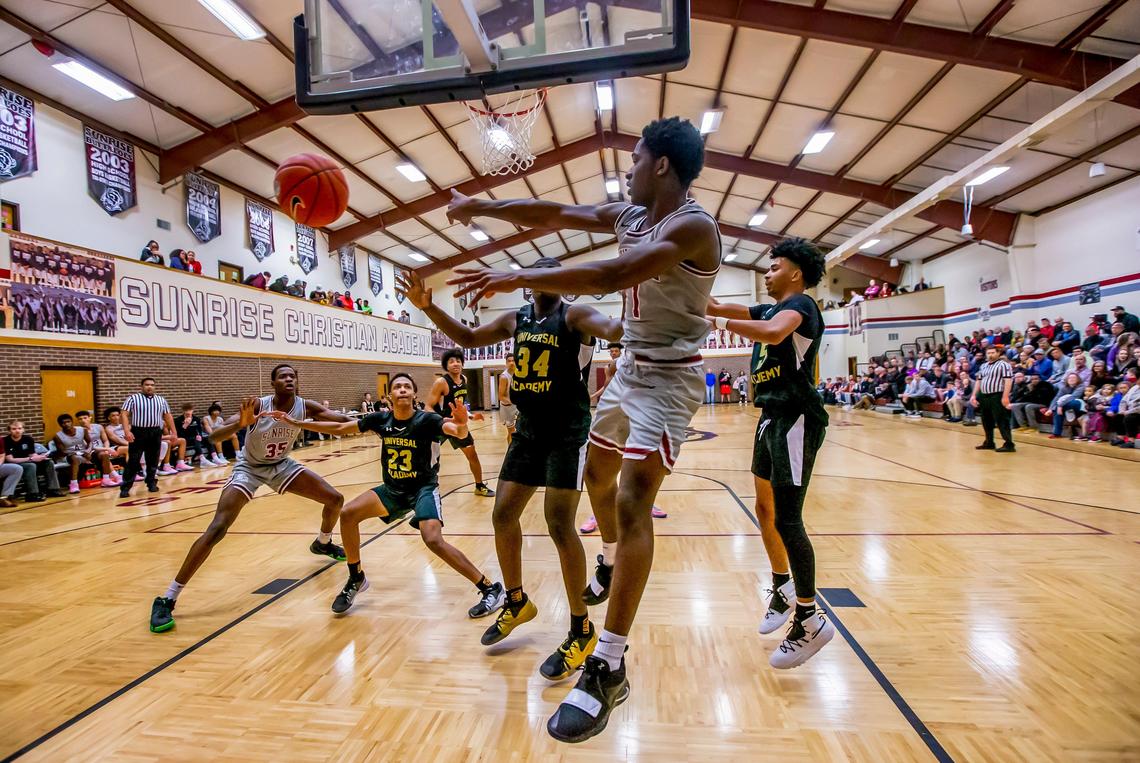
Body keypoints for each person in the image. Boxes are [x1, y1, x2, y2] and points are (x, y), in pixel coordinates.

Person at [446, 115, 719, 742]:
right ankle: (609, 563)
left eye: (635, 157)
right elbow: (553, 210)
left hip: (672, 377)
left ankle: (609, 664)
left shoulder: (693, 226)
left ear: (662, 166)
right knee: (596, 472)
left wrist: (518, 279)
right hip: (629, 369)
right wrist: (478, 204)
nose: (626, 168)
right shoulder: (630, 216)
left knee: (630, 502)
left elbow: (612, 278)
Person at [400, 264, 624, 679]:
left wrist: (632, 289)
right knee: (502, 515)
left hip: (566, 433)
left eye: (555, 274)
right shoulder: (515, 317)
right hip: (528, 430)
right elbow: (467, 338)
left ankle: (581, 628)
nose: (545, 279)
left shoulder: (575, 315)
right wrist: (428, 308)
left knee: (559, 524)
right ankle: (517, 601)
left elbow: (613, 329)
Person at [261, 372, 505, 618]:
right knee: (348, 514)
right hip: (391, 490)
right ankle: (356, 577)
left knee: (432, 540)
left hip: (422, 489)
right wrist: (298, 424)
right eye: (397, 386)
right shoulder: (380, 419)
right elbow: (339, 427)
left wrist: (462, 425)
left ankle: (489, 588)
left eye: (406, 386)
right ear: (389, 395)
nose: (401, 389)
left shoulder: (427, 420)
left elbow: (456, 432)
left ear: (413, 394)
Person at [707, 238, 834, 669]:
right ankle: (782, 589)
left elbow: (773, 332)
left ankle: (809, 618)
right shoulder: (768, 308)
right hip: (770, 415)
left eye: (774, 266)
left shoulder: (802, 306)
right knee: (763, 510)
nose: (767, 273)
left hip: (796, 416)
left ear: (795, 273)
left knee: (788, 518)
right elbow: (721, 306)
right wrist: (681, 290)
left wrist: (720, 326)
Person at [147, 365, 351, 633]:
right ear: (273, 382)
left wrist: (384, 417)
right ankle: (167, 598)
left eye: (292, 376)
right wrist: (241, 424)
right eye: (283, 376)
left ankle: (323, 543)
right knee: (218, 527)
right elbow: (214, 436)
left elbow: (341, 420)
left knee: (335, 499)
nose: (289, 379)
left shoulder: (305, 406)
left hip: (281, 465)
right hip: (250, 468)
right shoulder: (257, 405)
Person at [426, 349, 494, 497]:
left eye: (458, 361)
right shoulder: (441, 382)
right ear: (446, 365)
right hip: (440, 424)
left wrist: (469, 416)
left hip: (457, 424)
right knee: (429, 460)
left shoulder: (464, 379)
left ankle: (479, 486)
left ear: (462, 363)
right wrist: (441, 421)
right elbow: (428, 406)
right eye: (451, 361)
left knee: (472, 454)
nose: (455, 363)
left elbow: (462, 404)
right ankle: (421, 490)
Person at [3, 420, 63, 502]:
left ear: (23, 430)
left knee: (48, 462)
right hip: (16, 464)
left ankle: (53, 489)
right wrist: (30, 459)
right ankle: (32, 493)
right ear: (9, 431)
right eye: (14, 429)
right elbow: (10, 459)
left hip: (28, 460)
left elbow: (32, 454)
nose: (17, 431)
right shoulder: (5, 441)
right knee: (31, 466)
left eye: (19, 428)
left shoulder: (28, 439)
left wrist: (40, 457)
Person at [970, 346, 1015, 452]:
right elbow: (978, 381)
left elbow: (1008, 381)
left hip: (997, 395)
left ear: (998, 353)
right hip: (984, 395)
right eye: (988, 353)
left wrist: (1005, 396)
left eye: (993, 352)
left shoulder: (1004, 365)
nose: (990, 355)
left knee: (1001, 420)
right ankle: (989, 442)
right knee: (986, 420)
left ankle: (1009, 444)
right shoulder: (984, 366)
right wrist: (973, 395)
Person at [497, 352, 518, 443]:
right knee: (511, 432)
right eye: (509, 361)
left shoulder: (519, 374)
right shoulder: (504, 377)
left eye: (513, 361)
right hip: (507, 407)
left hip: (516, 405)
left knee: (520, 431)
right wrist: (514, 402)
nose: (511, 363)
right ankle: (510, 451)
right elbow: (501, 396)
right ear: (506, 363)